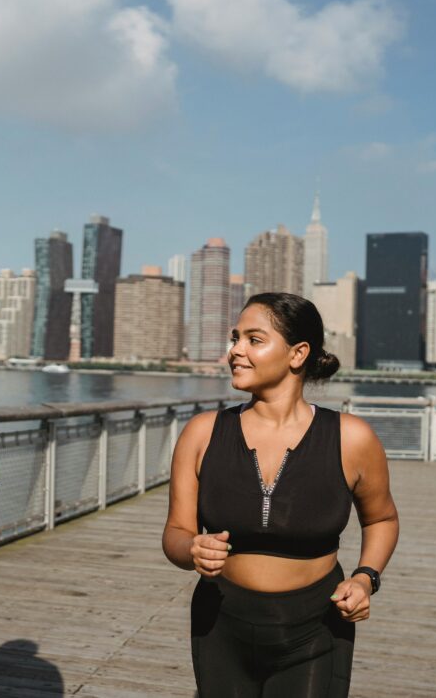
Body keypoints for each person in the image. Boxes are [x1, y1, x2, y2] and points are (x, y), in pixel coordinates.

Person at [162, 292, 399, 697]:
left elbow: (382, 519)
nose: (235, 350)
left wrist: (365, 578)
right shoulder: (202, 433)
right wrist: (192, 549)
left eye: (254, 339)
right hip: (220, 621)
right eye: (235, 338)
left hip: (316, 625)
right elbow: (176, 533)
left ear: (297, 354)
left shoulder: (352, 438)